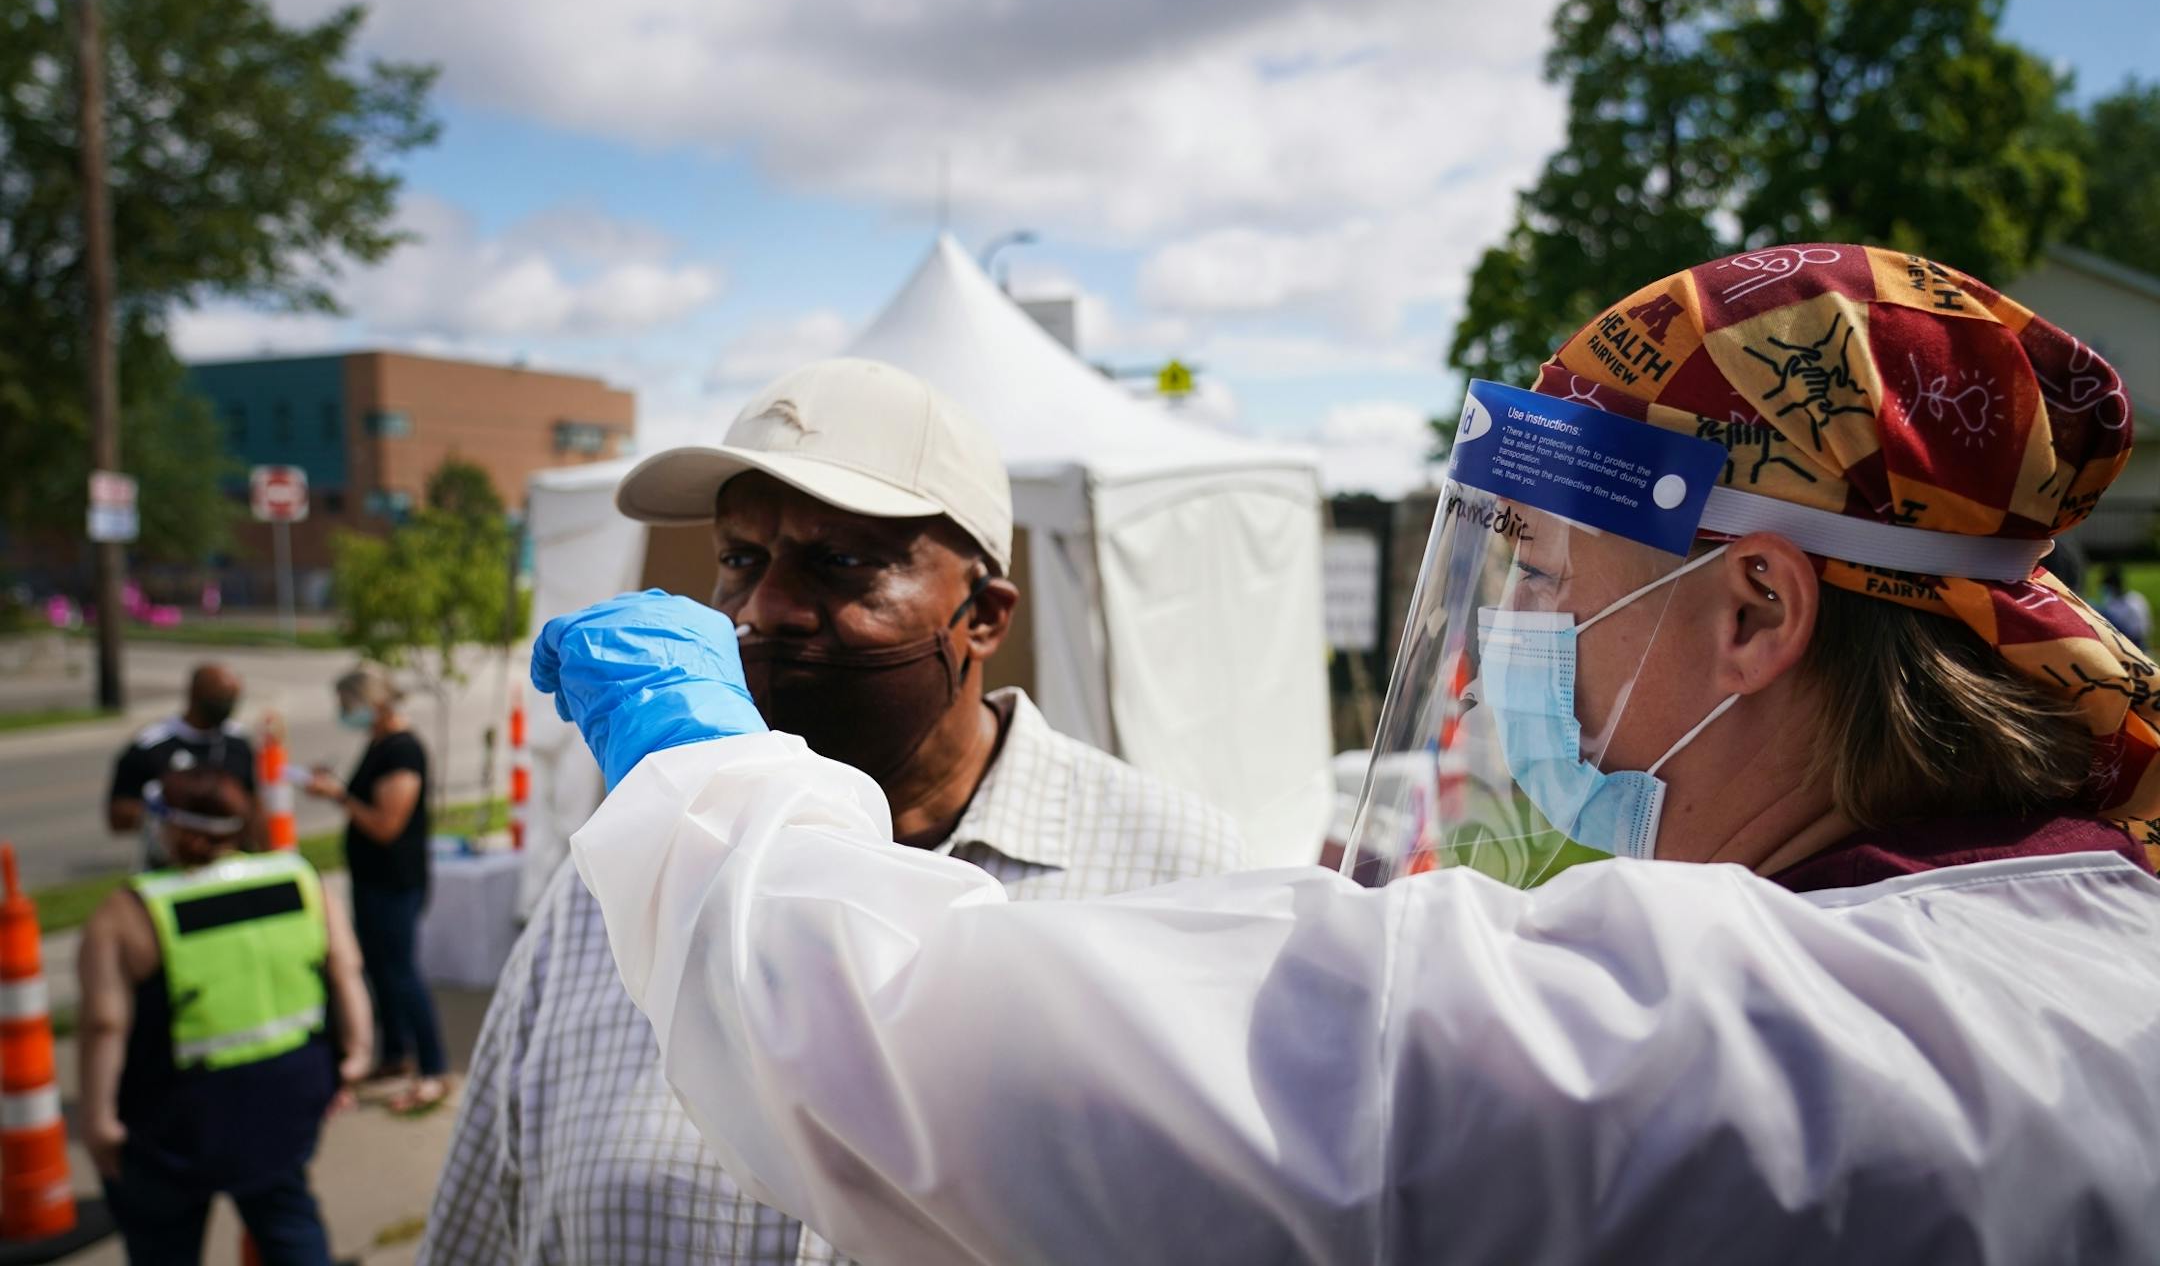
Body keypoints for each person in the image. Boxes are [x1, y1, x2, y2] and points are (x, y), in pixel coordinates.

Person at [539, 246, 2160, 1262]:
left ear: (1752, 611)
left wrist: (696, 767)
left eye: (1539, 577)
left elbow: (869, 1044)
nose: (1510, 645)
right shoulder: (2076, 956)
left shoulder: (1700, 1040)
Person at [420, 358, 1245, 1265]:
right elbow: (479, 1233)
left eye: (842, 561)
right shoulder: (635, 867)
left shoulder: (1172, 869)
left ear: (985, 617)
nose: (766, 609)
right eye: (740, 560)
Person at [75, 746, 371, 1265]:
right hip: (287, 1097)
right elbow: (346, 971)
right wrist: (355, 1056)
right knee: (286, 1217)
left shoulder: (131, 911)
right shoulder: (298, 878)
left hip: (177, 1118)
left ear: (175, 829)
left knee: (164, 1240)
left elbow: (104, 1024)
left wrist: (98, 1122)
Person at [304, 663, 447, 1115]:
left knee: (402, 974)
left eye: (349, 706)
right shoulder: (379, 743)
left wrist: (339, 797)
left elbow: (387, 824)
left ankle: (433, 1068)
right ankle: (395, 1053)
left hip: (395, 882)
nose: (344, 714)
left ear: (375, 703)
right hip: (372, 880)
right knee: (382, 972)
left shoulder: (403, 750)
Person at [108, 663, 259, 866]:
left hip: (233, 866)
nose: (227, 705)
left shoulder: (238, 742)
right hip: (172, 867)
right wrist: (172, 817)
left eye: (232, 698)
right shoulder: (150, 746)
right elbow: (118, 816)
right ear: (196, 694)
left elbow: (255, 805)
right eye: (220, 697)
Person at [2097, 563, 2152, 648]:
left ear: (2113, 586)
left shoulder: (2134, 602)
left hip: (2136, 643)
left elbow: (2139, 630)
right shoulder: (2111, 601)